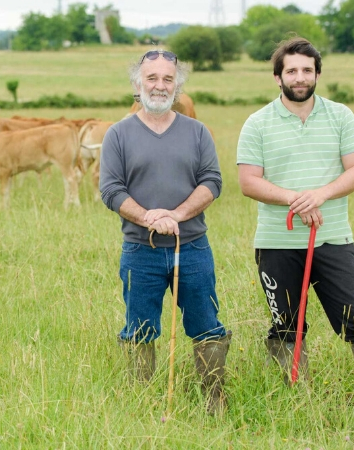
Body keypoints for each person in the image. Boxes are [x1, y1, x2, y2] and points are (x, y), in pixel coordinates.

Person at [236, 37, 354, 423]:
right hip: (276, 243)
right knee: (286, 324)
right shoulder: (257, 123)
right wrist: (295, 200)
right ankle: (298, 407)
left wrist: (320, 195)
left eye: (307, 70)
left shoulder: (340, 117)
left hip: (333, 239)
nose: (300, 77)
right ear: (278, 76)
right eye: (292, 70)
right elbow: (249, 181)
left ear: (317, 74)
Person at [99, 49, 230, 414]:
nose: (159, 85)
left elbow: (212, 181)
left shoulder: (197, 131)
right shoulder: (118, 135)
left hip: (192, 247)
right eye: (152, 78)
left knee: (206, 323)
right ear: (137, 84)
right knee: (139, 329)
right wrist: (148, 218)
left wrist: (176, 214)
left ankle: (214, 401)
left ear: (177, 85)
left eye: (167, 79)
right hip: (140, 250)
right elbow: (111, 190)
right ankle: (141, 404)